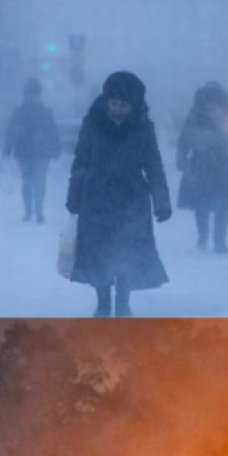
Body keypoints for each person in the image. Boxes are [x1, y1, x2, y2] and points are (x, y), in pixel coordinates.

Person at [65, 71, 172, 318]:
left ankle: (123, 302)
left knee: (127, 253)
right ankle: (103, 303)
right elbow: (80, 161)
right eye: (113, 103)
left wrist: (161, 202)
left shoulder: (144, 129)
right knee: (99, 254)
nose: (117, 109)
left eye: (123, 105)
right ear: (106, 101)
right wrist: (74, 196)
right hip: (96, 200)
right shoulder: (92, 124)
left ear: (133, 106)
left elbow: (154, 165)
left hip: (131, 201)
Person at [176, 82, 228, 253]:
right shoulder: (193, 119)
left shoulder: (227, 121)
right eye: (207, 102)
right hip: (199, 166)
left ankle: (219, 242)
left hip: (223, 168)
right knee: (201, 206)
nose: (211, 106)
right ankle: (202, 237)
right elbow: (184, 142)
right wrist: (182, 161)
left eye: (215, 102)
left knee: (222, 207)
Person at [4, 79, 62, 224]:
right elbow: (11, 132)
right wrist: (7, 148)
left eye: (33, 95)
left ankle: (39, 212)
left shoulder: (46, 113)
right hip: (24, 153)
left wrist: (56, 148)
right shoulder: (19, 113)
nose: (30, 98)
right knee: (27, 183)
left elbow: (53, 132)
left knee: (39, 183)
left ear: (38, 96)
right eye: (28, 95)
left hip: (41, 154)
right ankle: (29, 212)